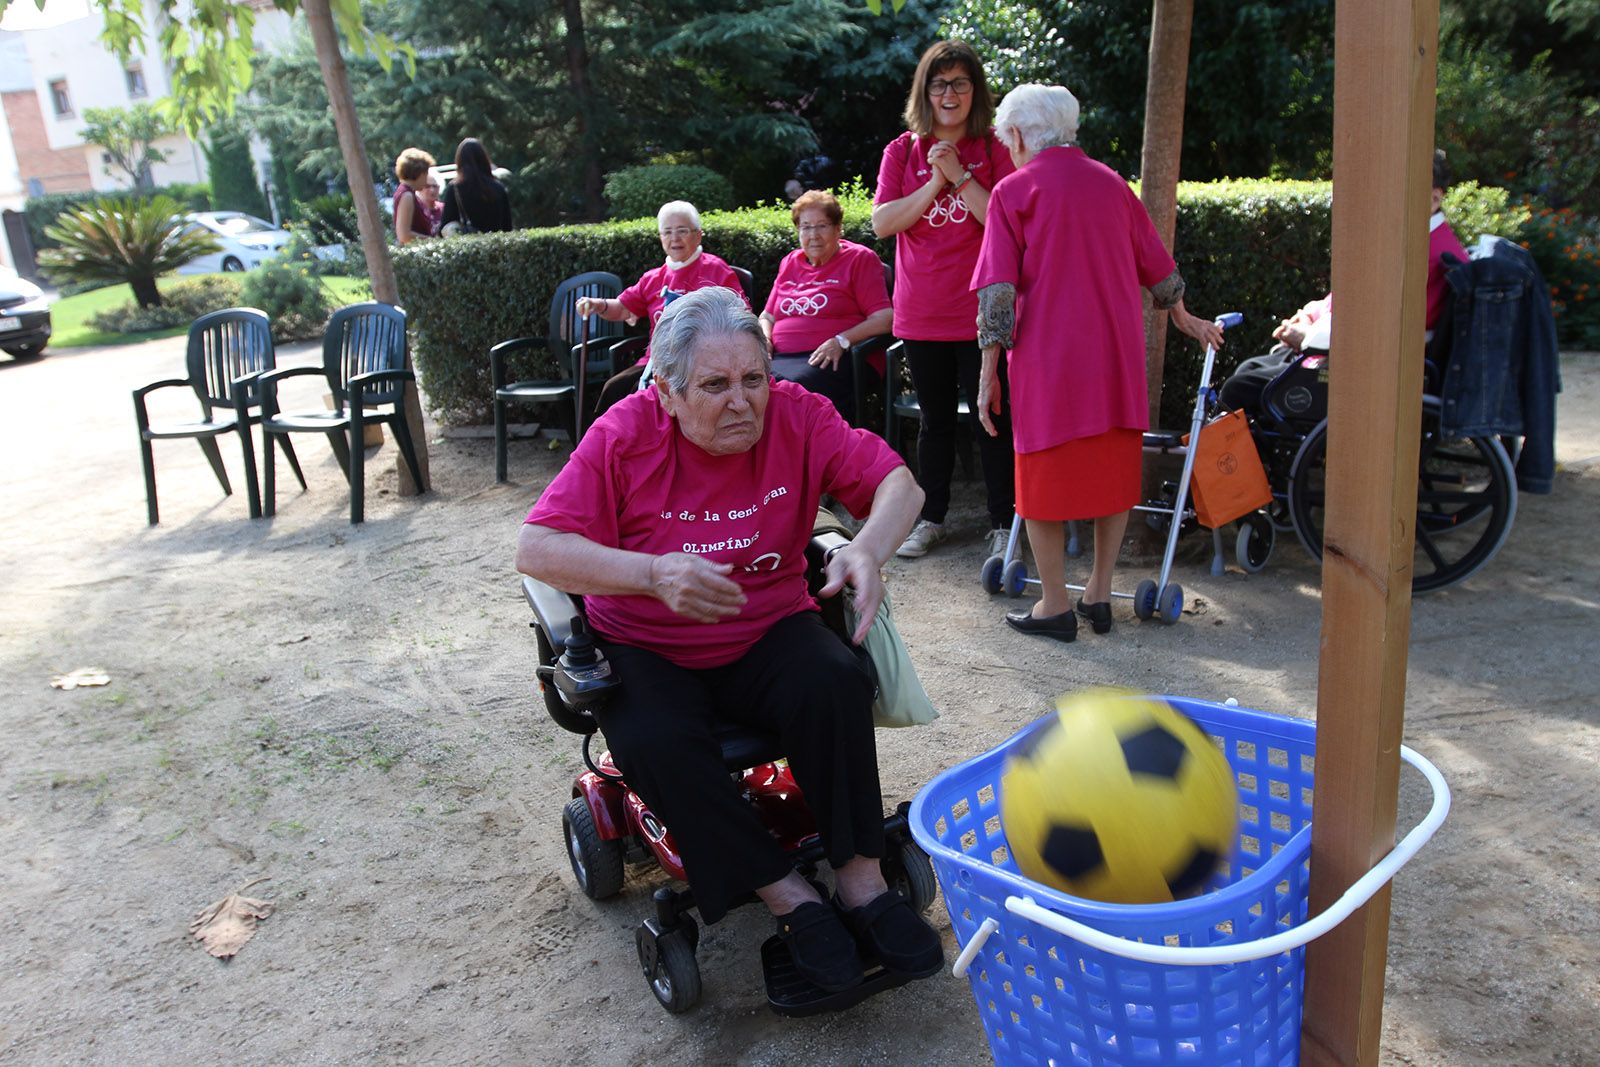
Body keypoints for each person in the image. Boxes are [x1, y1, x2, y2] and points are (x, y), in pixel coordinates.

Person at [516, 287, 941, 993]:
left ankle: (863, 884)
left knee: (835, 679)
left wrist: (867, 547)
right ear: (668, 390)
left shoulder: (799, 417)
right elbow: (537, 546)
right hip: (646, 642)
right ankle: (790, 896)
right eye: (715, 385)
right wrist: (651, 573)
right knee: (654, 738)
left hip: (766, 622)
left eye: (754, 378)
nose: (742, 401)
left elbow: (899, 485)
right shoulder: (625, 435)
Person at [971, 84, 1223, 641]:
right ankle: (1100, 594)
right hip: (1115, 358)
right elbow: (1159, 269)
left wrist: (988, 371)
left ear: (1016, 135)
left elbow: (996, 293)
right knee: (1113, 474)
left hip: (1048, 361)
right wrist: (1186, 318)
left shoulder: (1014, 192)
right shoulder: (1113, 185)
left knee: (1041, 479)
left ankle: (1054, 605)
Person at [873, 40, 1018, 562]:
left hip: (983, 313)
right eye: (939, 83)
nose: (949, 92)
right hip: (922, 313)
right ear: (925, 91)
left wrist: (959, 174)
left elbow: (1005, 221)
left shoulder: (995, 147)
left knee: (993, 418)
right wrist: (935, 179)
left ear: (973, 91)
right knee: (934, 423)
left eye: (960, 82)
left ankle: (1004, 524)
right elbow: (884, 222)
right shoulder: (901, 151)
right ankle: (931, 518)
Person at [1218, 149, 1468, 414]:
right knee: (1250, 372)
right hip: (1348, 353)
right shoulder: (1425, 243)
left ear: (1433, 198)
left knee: (1240, 387)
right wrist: (1309, 315)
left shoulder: (1426, 254)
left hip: (1364, 370)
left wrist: (1307, 336)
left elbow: (1375, 326)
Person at [577, 201, 749, 413]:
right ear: (660, 238)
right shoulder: (653, 278)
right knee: (615, 390)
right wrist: (598, 305)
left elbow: (742, 314)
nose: (674, 238)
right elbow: (622, 308)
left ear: (698, 235)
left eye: (682, 231)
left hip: (703, 361)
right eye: (667, 232)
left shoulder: (716, 270)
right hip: (657, 361)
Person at [760, 190, 893, 421]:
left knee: (791, 390)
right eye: (806, 227)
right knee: (753, 382)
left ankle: (810, 454)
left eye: (822, 226)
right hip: (784, 358)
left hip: (838, 357)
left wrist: (841, 341)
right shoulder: (790, 262)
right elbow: (768, 316)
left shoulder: (859, 259)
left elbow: (885, 318)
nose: (813, 235)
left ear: (838, 228)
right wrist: (764, 339)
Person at [439, 137, 512, 234]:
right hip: (496, 244)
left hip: (468, 245)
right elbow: (507, 226)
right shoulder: (498, 187)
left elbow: (445, 225)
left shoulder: (455, 188)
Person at [392, 148, 437, 245]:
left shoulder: (408, 193)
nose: (426, 181)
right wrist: (434, 241)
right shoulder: (407, 195)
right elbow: (404, 235)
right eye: (426, 174)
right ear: (420, 173)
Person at [417, 168, 444, 236]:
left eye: (435, 186)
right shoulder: (416, 210)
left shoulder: (445, 208)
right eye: (427, 186)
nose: (432, 190)